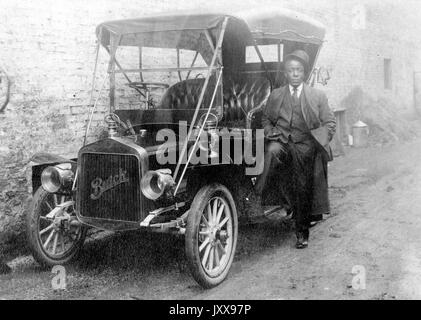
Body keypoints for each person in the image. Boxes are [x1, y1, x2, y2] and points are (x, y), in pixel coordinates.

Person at [254, 49, 336, 249]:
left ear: (305, 73)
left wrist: (320, 141)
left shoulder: (317, 95)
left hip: (305, 144)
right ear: (286, 73)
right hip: (281, 140)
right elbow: (265, 118)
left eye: (299, 70)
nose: (295, 73)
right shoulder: (276, 95)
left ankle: (302, 232)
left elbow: (330, 122)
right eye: (291, 70)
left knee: (302, 185)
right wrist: (270, 131)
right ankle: (257, 196)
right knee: (271, 152)